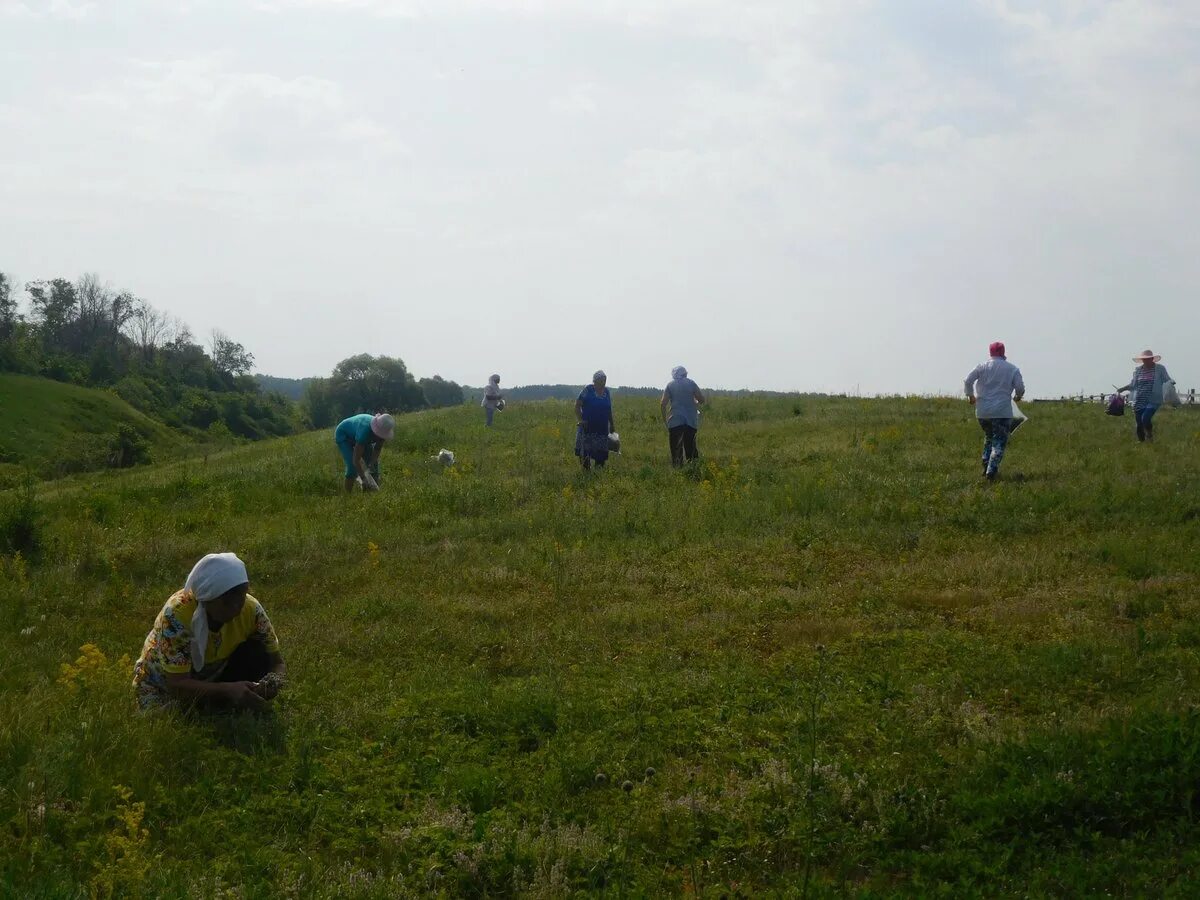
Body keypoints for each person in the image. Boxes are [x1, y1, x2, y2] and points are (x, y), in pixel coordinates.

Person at [132, 553, 286, 712]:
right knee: (173, 716)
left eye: (240, 598)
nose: (236, 607)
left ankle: (225, 702)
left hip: (214, 674)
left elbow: (277, 662)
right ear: (207, 599)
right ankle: (217, 703)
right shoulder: (178, 615)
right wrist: (228, 690)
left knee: (257, 651)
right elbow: (177, 684)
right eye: (226, 602)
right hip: (165, 683)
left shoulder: (251, 610)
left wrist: (272, 683)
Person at [964, 341, 1025, 481]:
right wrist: (1018, 397)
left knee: (989, 437)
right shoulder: (1012, 369)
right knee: (999, 441)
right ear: (1003, 352)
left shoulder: (982, 367)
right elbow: (1020, 387)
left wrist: (971, 396)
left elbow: (968, 381)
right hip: (1002, 412)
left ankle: (985, 465)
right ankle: (991, 471)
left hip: (982, 412)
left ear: (990, 352)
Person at [1117, 350, 1175, 443]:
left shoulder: (1160, 369)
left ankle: (1149, 434)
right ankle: (1141, 442)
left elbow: (1167, 380)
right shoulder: (1138, 370)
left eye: (1148, 359)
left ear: (1152, 359)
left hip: (1153, 399)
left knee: (1145, 418)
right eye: (1144, 359)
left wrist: (1171, 383)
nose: (1146, 361)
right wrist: (1122, 389)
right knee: (1139, 423)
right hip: (1139, 399)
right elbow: (1133, 385)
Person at [334, 412, 395, 492]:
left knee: (374, 466)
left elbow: (377, 450)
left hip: (360, 435)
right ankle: (348, 496)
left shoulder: (382, 432)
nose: (381, 439)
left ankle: (372, 491)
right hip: (344, 435)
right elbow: (356, 460)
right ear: (376, 431)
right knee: (352, 467)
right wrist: (363, 478)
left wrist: (371, 465)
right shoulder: (365, 432)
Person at [660, 366, 705, 467]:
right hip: (690, 422)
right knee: (691, 449)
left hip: (675, 421)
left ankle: (678, 472)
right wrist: (695, 402)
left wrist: (665, 420)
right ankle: (693, 470)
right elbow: (701, 400)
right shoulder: (691, 383)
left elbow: (663, 404)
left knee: (676, 450)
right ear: (685, 374)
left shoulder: (670, 385)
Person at [574, 370, 615, 469]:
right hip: (588, 428)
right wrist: (580, 420)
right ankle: (586, 474)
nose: (603, 382)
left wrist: (612, 424)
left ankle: (598, 475)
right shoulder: (588, 390)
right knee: (585, 454)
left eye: (605, 380)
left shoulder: (607, 392)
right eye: (601, 380)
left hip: (602, 429)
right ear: (595, 380)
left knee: (601, 456)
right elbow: (577, 405)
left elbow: (608, 409)